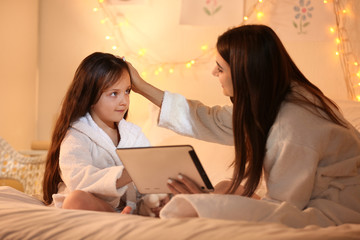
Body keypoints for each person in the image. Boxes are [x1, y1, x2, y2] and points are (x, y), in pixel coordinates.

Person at [126, 24, 360, 227]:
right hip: (307, 201)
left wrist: (206, 202)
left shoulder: (292, 127)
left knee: (205, 202)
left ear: (245, 72)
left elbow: (283, 209)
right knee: (226, 187)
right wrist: (141, 86)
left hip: (333, 212)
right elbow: (204, 118)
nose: (213, 72)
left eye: (220, 68)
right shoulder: (272, 102)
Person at [42, 52, 150, 213]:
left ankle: (129, 213)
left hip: (128, 206)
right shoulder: (77, 135)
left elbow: (148, 177)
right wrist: (127, 174)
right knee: (75, 200)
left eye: (127, 91)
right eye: (114, 93)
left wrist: (155, 198)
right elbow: (78, 178)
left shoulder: (133, 134)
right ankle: (115, 216)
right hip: (91, 205)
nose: (124, 101)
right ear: (90, 96)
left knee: (168, 198)